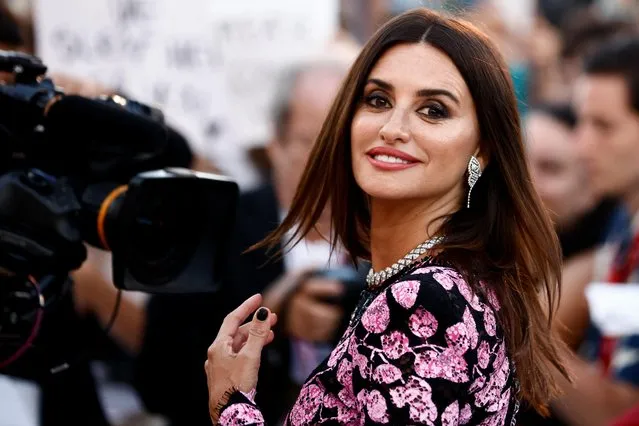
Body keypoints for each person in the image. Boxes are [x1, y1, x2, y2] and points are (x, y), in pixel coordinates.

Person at [205, 8, 570, 425]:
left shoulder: (425, 301)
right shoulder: (450, 281)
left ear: (481, 150)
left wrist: (229, 402)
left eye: (433, 110)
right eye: (378, 100)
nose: (393, 127)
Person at [550, 37, 639, 426]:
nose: (581, 145)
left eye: (603, 126)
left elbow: (620, 413)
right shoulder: (623, 220)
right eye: (580, 121)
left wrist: (520, 332)